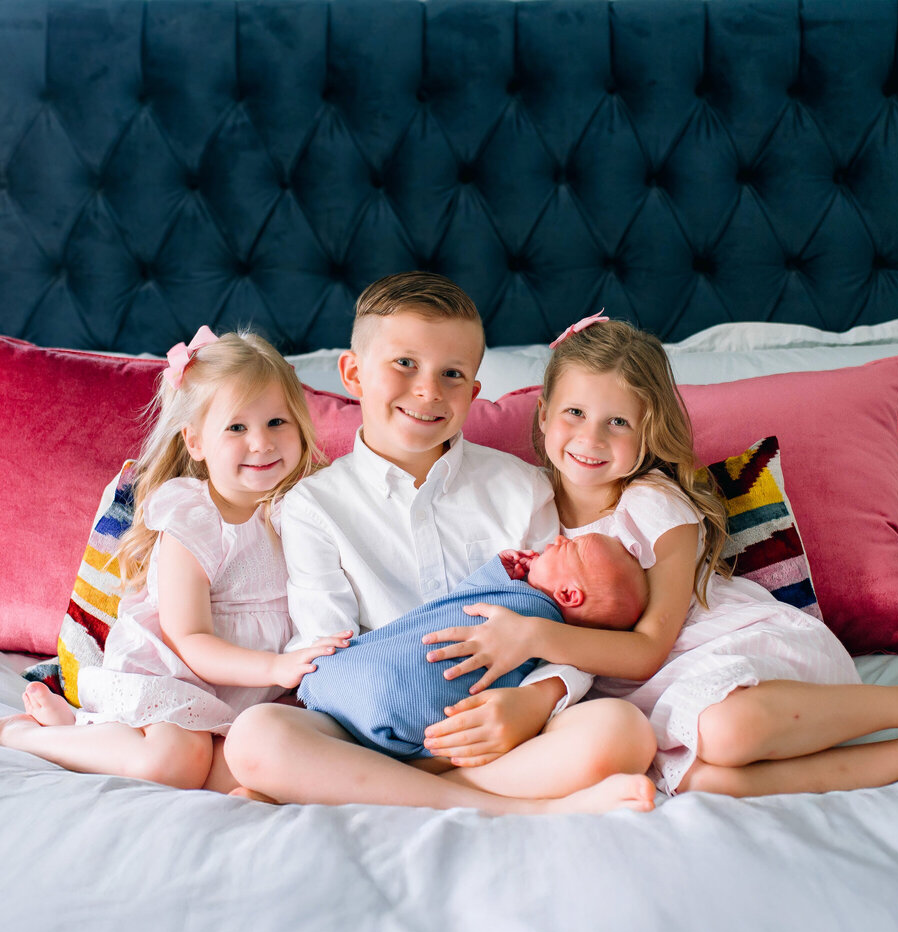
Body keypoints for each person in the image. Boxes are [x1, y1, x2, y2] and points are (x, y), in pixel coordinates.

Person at [422, 314, 898, 798]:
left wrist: (533, 635)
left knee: (726, 734)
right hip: (639, 700)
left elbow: (648, 648)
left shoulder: (654, 507)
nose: (590, 437)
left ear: (648, 431)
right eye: (574, 412)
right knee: (705, 780)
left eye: (618, 422)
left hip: (722, 650)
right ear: (543, 416)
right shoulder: (524, 508)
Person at [224, 272, 659, 815]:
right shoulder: (312, 505)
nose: (428, 390)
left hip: (502, 723)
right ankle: (520, 807)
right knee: (256, 738)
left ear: (473, 391)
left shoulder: (522, 488)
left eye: (451, 373)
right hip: (368, 725)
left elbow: (568, 622)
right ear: (354, 374)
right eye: (405, 363)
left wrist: (533, 702)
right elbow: (324, 647)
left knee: (623, 730)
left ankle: (376, 787)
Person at [0, 328, 350, 792]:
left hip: (253, 692)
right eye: (236, 428)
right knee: (174, 763)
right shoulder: (193, 521)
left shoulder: (306, 508)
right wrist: (273, 669)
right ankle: (23, 735)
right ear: (195, 442)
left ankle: (85, 730)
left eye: (276, 422)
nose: (262, 443)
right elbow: (190, 640)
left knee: (259, 762)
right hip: (175, 675)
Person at [301, 533, 647, 758]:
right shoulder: (551, 644)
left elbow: (463, 600)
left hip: (354, 678)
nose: (557, 538)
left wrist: (498, 572)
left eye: (568, 547)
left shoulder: (531, 615)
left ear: (568, 595)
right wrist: (501, 572)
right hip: (406, 728)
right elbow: (459, 604)